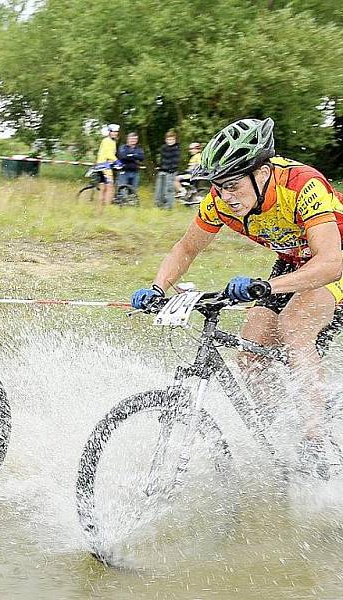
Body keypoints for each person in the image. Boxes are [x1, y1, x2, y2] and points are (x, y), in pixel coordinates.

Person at [131, 117, 343, 480]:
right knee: (250, 350)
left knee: (295, 325)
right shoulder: (218, 202)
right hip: (292, 263)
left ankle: (315, 440)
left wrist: (268, 287)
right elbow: (185, 249)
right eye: (218, 186)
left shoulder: (302, 184)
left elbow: (330, 263)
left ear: (262, 172)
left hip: (333, 261)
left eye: (232, 185)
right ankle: (283, 431)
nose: (226, 197)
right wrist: (158, 287)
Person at [95, 123, 120, 211]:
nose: (115, 133)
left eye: (116, 132)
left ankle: (100, 211)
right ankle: (106, 209)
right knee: (109, 187)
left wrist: (114, 163)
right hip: (105, 167)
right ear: (109, 132)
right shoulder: (108, 141)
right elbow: (109, 154)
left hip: (102, 166)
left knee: (103, 188)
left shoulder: (109, 141)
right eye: (113, 132)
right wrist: (117, 161)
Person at [154, 130, 180, 208]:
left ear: (175, 140)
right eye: (168, 139)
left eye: (172, 139)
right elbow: (162, 159)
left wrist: (172, 169)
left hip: (171, 172)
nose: (170, 141)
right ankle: (158, 204)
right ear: (166, 140)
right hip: (162, 170)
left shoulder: (176, 148)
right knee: (159, 188)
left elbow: (175, 161)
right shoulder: (163, 147)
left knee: (169, 189)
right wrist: (160, 167)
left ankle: (169, 206)